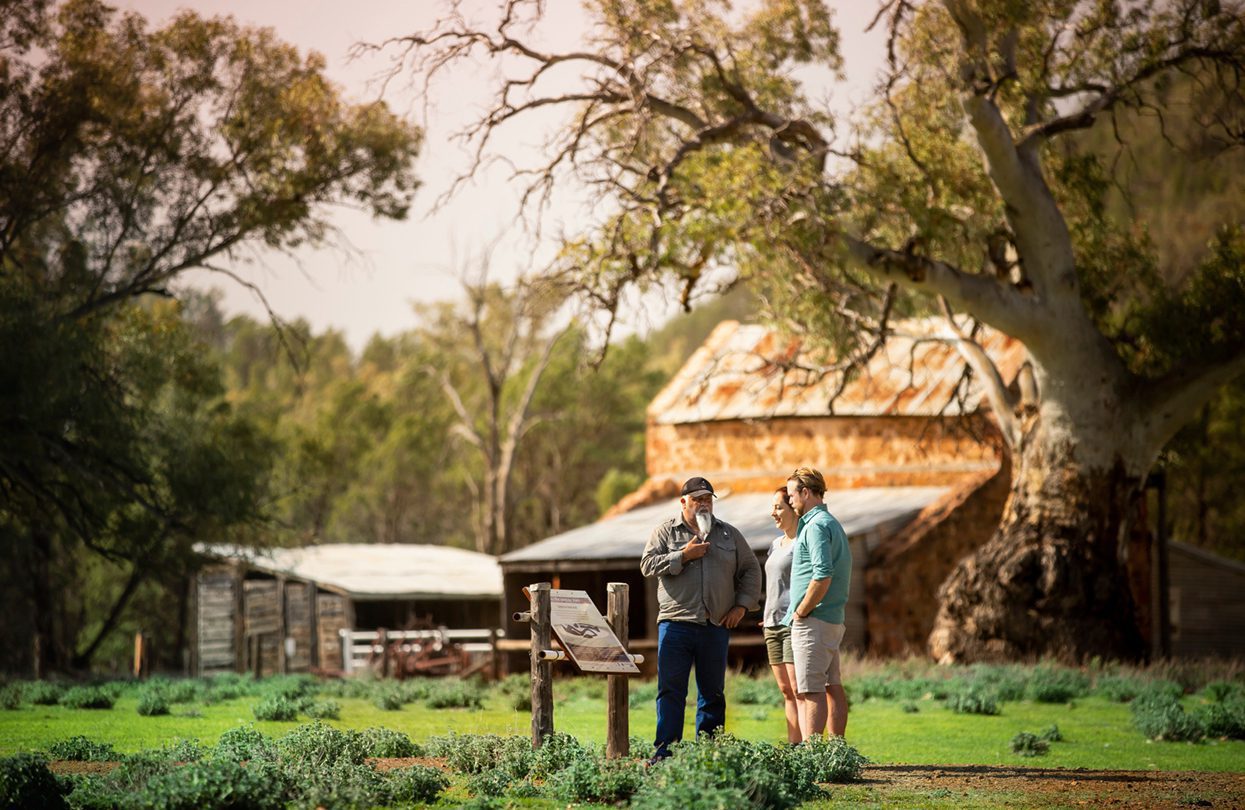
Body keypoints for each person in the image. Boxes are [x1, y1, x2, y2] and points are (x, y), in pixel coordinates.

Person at [640, 475, 762, 763]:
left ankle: (709, 754)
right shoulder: (665, 532)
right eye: (697, 499)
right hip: (675, 624)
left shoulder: (728, 534)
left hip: (715, 626)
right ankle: (665, 753)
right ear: (683, 502)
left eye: (708, 498)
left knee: (712, 693)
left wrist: (742, 606)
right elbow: (646, 565)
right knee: (671, 691)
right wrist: (683, 555)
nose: (704, 504)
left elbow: (751, 570)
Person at [784, 466, 851, 739]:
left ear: (806, 492)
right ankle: (836, 750)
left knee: (810, 689)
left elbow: (822, 575)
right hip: (830, 619)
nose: (790, 501)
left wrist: (801, 611)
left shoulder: (816, 526)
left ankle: (813, 758)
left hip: (815, 620)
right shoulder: (831, 522)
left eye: (791, 495)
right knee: (832, 686)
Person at [763, 487, 804, 743]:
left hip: (793, 623)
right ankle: (793, 746)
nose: (773, 513)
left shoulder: (803, 541)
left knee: (800, 690)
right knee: (786, 691)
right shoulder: (775, 544)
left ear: (793, 509)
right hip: (771, 624)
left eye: (779, 507)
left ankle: (808, 748)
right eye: (773, 508)